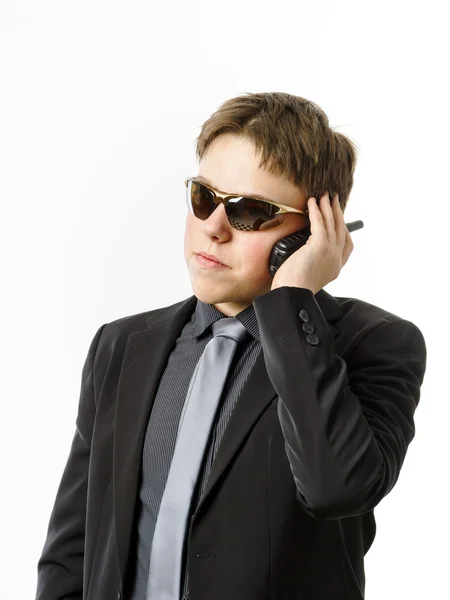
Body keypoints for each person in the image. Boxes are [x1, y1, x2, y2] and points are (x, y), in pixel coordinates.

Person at [35, 92, 427, 600]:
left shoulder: (377, 344)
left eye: (250, 212)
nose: (213, 228)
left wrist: (292, 301)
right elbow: (74, 547)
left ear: (312, 234)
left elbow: (338, 488)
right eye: (204, 197)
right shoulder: (120, 344)